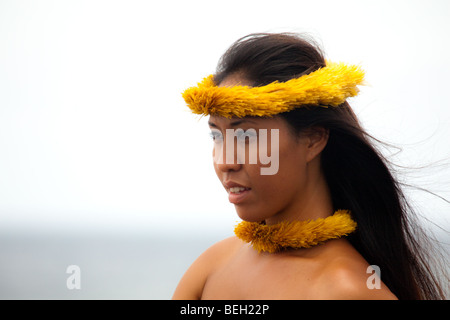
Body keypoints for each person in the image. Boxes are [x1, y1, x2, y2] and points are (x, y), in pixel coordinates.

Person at [172, 33, 446, 300]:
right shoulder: (210, 268)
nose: (225, 162)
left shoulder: (352, 291)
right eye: (217, 136)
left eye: (246, 136)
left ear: (314, 138)